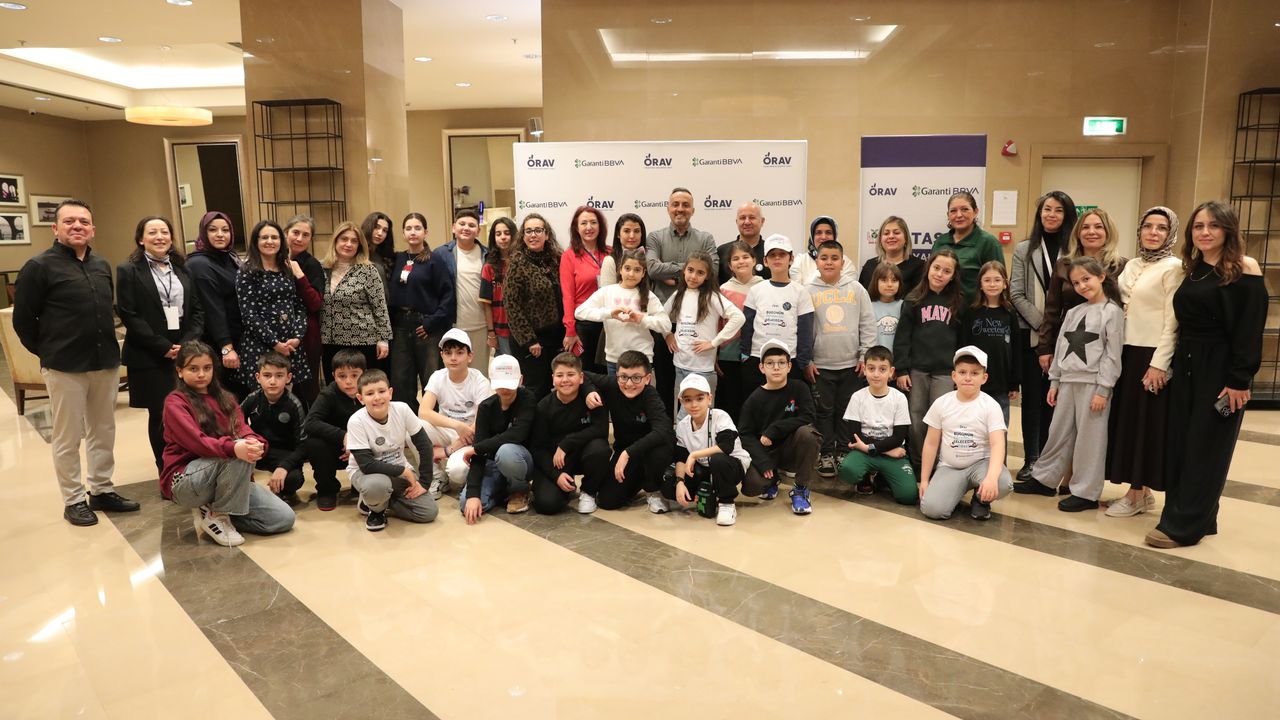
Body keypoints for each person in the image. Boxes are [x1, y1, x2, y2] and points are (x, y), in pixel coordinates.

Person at [1147, 201, 1266, 549]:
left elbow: (1249, 329)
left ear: (1228, 230)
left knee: (1207, 447)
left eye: (1213, 226)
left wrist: (1239, 380)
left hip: (1221, 368)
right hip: (1187, 365)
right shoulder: (1193, 268)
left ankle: (1183, 526)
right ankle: (1199, 515)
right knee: (1183, 444)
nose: (1205, 232)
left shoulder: (1244, 267)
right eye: (1198, 226)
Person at [14, 199, 139, 526]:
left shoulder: (101, 265)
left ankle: (101, 489)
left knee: (103, 430)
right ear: (55, 228)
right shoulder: (38, 267)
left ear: (92, 229)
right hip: (64, 366)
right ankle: (73, 499)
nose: (77, 226)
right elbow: (23, 321)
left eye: (83, 221)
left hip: (104, 362)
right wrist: (49, 352)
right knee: (68, 437)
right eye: (69, 221)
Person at [1015, 257, 1125, 512]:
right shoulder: (1074, 312)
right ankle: (1044, 479)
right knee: (1058, 433)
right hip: (1067, 382)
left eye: (1086, 279)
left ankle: (1086, 492)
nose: (1082, 286)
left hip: (1093, 383)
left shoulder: (1112, 312)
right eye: (1076, 283)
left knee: (1090, 439)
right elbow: (1061, 348)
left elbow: (1112, 355)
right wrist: (1054, 381)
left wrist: (1103, 389)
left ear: (1101, 277)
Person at [161, 341, 295, 546]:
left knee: (283, 519)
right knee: (237, 452)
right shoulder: (175, 402)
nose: (201, 374)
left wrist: (255, 442)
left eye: (207, 368)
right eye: (193, 369)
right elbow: (198, 443)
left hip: (228, 477)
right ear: (180, 371)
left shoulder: (225, 398)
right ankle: (218, 516)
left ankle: (220, 507)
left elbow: (243, 429)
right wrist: (236, 447)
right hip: (186, 479)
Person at [1105, 207, 1182, 518]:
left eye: (1161, 228)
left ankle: (1136, 494)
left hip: (1150, 356)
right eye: (1148, 226)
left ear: (1170, 233)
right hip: (1125, 351)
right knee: (1128, 423)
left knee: (1144, 425)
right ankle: (1142, 492)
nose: (1153, 232)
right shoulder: (1132, 264)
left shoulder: (1174, 267)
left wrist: (1160, 363)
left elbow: (1173, 320)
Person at [116, 215, 205, 474]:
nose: (159, 237)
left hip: (185, 352)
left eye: (164, 232)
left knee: (190, 411)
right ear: (140, 239)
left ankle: (190, 466)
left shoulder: (183, 268)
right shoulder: (128, 270)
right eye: (152, 232)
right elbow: (129, 314)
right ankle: (166, 470)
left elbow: (197, 310)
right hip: (149, 353)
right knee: (161, 415)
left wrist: (186, 345)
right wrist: (162, 346)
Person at [1009, 191, 1078, 482]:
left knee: (1058, 401)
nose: (1051, 214)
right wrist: (1045, 327)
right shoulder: (1025, 249)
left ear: (1067, 216)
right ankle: (1031, 459)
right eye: (1046, 209)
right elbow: (1016, 293)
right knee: (1033, 401)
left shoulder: (1075, 250)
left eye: (1058, 210)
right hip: (1033, 337)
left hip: (1070, 338)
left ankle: (1054, 461)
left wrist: (1059, 330)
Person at [805, 238, 877, 477]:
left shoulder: (856, 289)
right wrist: (808, 360)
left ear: (843, 262)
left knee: (847, 411)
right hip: (820, 366)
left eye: (834, 258)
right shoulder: (808, 290)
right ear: (816, 262)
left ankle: (844, 451)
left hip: (852, 365)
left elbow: (868, 323)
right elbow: (804, 329)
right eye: (824, 258)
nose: (829, 262)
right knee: (823, 412)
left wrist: (865, 355)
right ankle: (826, 453)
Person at [917, 346, 1014, 521]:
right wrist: (924, 480)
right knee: (933, 510)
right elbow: (931, 444)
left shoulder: (991, 406)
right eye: (962, 372)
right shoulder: (941, 403)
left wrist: (991, 477)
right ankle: (954, 490)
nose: (968, 378)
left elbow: (998, 444)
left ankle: (980, 498)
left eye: (974, 373)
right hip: (950, 467)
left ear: (984, 378)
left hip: (981, 464)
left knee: (1003, 483)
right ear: (954, 376)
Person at [647, 187, 718, 416]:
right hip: (665, 323)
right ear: (668, 208)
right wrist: (688, 269)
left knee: (693, 386)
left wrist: (672, 273)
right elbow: (652, 268)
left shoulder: (705, 238)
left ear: (693, 210)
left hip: (696, 324)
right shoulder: (655, 237)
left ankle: (692, 430)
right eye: (675, 204)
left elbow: (714, 269)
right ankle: (666, 430)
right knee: (664, 381)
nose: (680, 209)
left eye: (685, 205)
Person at [893, 249, 964, 470]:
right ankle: (918, 462)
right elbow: (902, 338)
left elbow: (963, 340)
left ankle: (937, 464)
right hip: (917, 370)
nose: (940, 274)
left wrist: (960, 372)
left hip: (945, 371)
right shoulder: (913, 299)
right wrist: (902, 369)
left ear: (953, 275)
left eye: (947, 271)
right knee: (916, 416)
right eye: (936, 268)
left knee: (940, 418)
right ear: (928, 268)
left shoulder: (958, 302)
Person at [346, 369, 439, 531]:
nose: (377, 397)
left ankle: (378, 502)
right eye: (370, 393)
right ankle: (376, 510)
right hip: (366, 473)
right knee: (377, 485)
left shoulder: (402, 409)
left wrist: (424, 482)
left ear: (390, 393)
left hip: (397, 471)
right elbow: (367, 465)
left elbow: (424, 445)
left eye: (382, 391)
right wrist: (404, 472)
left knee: (428, 512)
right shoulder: (356, 421)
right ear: (360, 398)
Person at [1037, 207, 1128, 374]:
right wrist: (1044, 347)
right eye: (1085, 227)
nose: (1091, 232)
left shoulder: (1122, 266)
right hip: (1068, 342)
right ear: (1078, 233)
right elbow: (1052, 310)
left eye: (1098, 227)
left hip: (1106, 346)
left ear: (1108, 232)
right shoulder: (1063, 265)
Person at [582, 351, 675, 513]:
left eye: (636, 378)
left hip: (649, 451)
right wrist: (589, 391)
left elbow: (663, 430)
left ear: (647, 378)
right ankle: (639, 479)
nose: (629, 384)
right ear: (617, 375)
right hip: (626, 451)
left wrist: (628, 453)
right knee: (607, 500)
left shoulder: (650, 395)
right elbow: (582, 375)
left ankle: (653, 489)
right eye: (624, 377)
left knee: (660, 451)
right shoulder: (613, 384)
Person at [738, 339, 822, 515]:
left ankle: (800, 489)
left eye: (781, 363)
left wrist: (775, 429)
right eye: (770, 363)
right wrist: (763, 462)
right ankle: (772, 479)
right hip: (767, 452)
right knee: (752, 486)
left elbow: (808, 416)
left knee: (808, 434)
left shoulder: (799, 388)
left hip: (793, 449)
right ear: (762, 368)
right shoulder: (754, 399)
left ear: (789, 366)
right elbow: (745, 435)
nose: (776, 367)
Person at [664, 251, 745, 416]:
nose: (694, 276)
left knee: (696, 413)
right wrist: (667, 334)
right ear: (684, 270)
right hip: (680, 363)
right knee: (683, 411)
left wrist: (714, 342)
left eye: (700, 273)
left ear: (707, 276)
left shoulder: (712, 297)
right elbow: (661, 316)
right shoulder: (678, 294)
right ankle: (682, 434)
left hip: (702, 367)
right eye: (690, 270)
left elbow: (738, 317)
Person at [528, 352, 610, 515]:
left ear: (581, 378)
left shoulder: (593, 399)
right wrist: (556, 475)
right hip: (556, 461)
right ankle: (566, 486)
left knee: (600, 448)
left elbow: (601, 430)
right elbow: (537, 448)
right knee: (547, 505)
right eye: (560, 375)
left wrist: (567, 443)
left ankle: (589, 491)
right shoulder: (543, 407)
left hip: (584, 454)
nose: (565, 380)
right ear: (553, 379)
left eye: (571, 374)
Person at [388, 212, 453, 413]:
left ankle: (432, 421)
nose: (413, 232)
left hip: (426, 327)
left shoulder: (434, 260)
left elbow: (448, 296)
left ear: (426, 232)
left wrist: (431, 323)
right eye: (408, 228)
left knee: (430, 377)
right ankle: (407, 422)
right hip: (400, 326)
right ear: (403, 233)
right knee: (401, 379)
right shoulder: (397, 259)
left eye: (417, 228)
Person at [235, 220, 310, 391]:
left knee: (288, 398)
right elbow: (248, 314)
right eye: (264, 237)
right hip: (261, 345)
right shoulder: (247, 272)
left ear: (281, 241)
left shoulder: (287, 268)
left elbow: (299, 306)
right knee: (263, 397)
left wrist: (298, 337)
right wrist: (275, 344)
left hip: (290, 345)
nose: (270, 241)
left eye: (274, 237)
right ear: (256, 241)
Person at [460, 354, 536, 522]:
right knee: (467, 504)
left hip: (520, 461)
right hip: (492, 463)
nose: (505, 389)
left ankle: (519, 490)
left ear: (520, 380)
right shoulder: (486, 407)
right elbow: (478, 455)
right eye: (500, 384)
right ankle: (502, 490)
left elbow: (518, 433)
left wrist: (478, 448)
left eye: (509, 384)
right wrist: (473, 494)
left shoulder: (527, 399)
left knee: (506, 451)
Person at [418, 328, 493, 498]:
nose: (453, 358)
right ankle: (437, 477)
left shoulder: (480, 381)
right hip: (451, 430)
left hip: (471, 436)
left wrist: (449, 450)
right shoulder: (438, 376)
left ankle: (468, 478)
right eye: (448, 353)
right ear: (442, 356)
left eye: (459, 353)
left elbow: (481, 422)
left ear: (470, 356)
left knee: (457, 472)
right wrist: (457, 426)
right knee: (414, 428)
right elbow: (423, 412)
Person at [669, 373, 752, 527]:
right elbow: (681, 457)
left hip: (731, 465)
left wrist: (694, 455)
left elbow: (726, 447)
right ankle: (701, 492)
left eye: (699, 398)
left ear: (709, 399)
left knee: (718, 459)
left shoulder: (721, 416)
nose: (694, 404)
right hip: (704, 467)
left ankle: (726, 503)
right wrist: (680, 482)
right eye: (688, 400)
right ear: (681, 402)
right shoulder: (682, 425)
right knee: (669, 486)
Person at [837, 345, 916, 503]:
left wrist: (869, 447)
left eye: (882, 369)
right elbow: (855, 436)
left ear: (891, 372)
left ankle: (882, 478)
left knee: (908, 496)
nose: (876, 374)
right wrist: (879, 450)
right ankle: (864, 477)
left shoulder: (899, 398)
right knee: (847, 471)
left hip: (888, 451)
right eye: (871, 368)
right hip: (873, 452)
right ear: (864, 370)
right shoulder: (858, 397)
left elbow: (898, 437)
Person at [740, 234, 816, 387]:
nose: (777, 258)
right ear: (765, 261)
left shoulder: (801, 292)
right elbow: (747, 326)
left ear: (791, 259)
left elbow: (806, 331)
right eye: (772, 255)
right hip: (757, 359)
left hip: (789, 360)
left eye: (782, 254)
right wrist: (745, 355)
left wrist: (802, 362)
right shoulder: (756, 290)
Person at [575, 248, 670, 371]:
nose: (631, 274)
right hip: (614, 360)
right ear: (620, 269)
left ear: (643, 273)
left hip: (642, 359)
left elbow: (666, 325)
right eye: (627, 268)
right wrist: (609, 313)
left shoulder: (648, 296)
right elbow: (579, 312)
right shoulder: (607, 292)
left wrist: (641, 319)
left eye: (637, 270)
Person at [505, 213, 567, 399]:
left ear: (547, 235)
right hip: (532, 341)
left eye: (538, 230)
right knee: (536, 389)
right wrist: (529, 340)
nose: (533, 235)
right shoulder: (517, 263)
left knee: (555, 386)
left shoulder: (556, 260)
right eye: (528, 231)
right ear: (523, 236)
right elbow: (512, 306)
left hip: (555, 337)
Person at [186, 211, 247, 397]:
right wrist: (226, 347)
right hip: (219, 344)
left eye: (225, 230)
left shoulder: (229, 257)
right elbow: (213, 310)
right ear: (203, 233)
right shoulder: (199, 264)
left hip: (239, 338)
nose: (220, 234)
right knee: (227, 398)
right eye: (213, 230)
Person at [320, 221, 392, 374]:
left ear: (359, 246)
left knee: (362, 385)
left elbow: (380, 307)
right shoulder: (322, 269)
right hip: (330, 341)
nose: (348, 244)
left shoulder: (368, 270)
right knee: (334, 384)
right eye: (344, 239)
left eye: (354, 241)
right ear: (335, 241)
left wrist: (383, 339)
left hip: (362, 341)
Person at [240, 352, 308, 505]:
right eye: (267, 375)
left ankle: (282, 492)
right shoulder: (252, 399)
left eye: (279, 376)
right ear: (258, 377)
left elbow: (303, 446)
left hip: (283, 453)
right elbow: (235, 424)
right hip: (257, 449)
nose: (272, 381)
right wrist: (247, 441)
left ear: (288, 378)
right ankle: (242, 491)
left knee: (294, 479)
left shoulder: (294, 404)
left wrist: (284, 467)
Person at [303, 348, 366, 511]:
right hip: (336, 450)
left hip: (363, 449)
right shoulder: (329, 394)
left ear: (364, 374)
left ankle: (360, 484)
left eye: (354, 375)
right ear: (333, 376)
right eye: (342, 376)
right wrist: (343, 436)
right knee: (314, 443)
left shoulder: (371, 392)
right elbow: (310, 423)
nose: (348, 381)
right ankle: (327, 490)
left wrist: (356, 445)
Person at [960, 261, 1021, 423]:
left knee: (999, 426)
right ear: (980, 284)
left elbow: (1016, 348)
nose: (992, 284)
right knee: (974, 426)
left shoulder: (1010, 312)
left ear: (1005, 284)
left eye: (997, 280)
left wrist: (1014, 383)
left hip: (1001, 383)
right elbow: (963, 347)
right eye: (987, 280)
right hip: (975, 381)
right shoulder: (971, 312)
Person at [433, 209, 490, 375]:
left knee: (479, 373)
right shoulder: (441, 254)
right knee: (454, 373)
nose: (466, 228)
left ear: (478, 231)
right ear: (453, 227)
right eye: (462, 224)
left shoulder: (487, 254)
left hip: (481, 325)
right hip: (453, 325)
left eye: (471, 225)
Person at [716, 241, 765, 419]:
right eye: (736, 259)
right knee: (730, 399)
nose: (741, 261)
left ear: (754, 260)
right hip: (728, 353)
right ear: (730, 266)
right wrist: (715, 354)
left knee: (752, 398)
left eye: (745, 257)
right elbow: (717, 324)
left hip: (755, 353)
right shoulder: (723, 290)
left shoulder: (764, 287)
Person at [930, 191, 1004, 303]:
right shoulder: (940, 242)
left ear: (975, 212)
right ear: (948, 215)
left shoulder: (988, 242)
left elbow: (998, 283)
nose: (959, 215)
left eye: (965, 209)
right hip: (940, 308)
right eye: (953, 211)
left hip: (974, 309)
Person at [560, 205, 610, 372]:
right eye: (584, 223)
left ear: (600, 226)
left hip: (608, 322)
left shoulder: (610, 253)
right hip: (584, 324)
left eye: (593, 222)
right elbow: (568, 296)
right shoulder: (569, 256)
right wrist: (570, 330)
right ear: (576, 228)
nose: (589, 227)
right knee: (586, 373)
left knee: (608, 372)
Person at [282, 215, 325, 403]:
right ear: (286, 233)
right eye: (295, 233)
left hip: (307, 334)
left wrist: (299, 275)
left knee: (307, 387)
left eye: (305, 235)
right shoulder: (273, 260)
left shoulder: (312, 265)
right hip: (279, 332)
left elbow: (315, 303)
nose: (299, 238)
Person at [858, 216, 926, 300]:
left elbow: (919, 299)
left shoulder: (919, 266)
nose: (891, 236)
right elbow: (860, 298)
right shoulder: (869, 266)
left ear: (906, 238)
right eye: (886, 233)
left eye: (896, 233)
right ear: (880, 240)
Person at [480, 217, 519, 357]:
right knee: (508, 367)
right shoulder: (489, 267)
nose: (503, 237)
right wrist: (491, 333)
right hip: (501, 329)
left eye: (507, 233)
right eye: (498, 234)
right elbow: (486, 304)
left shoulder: (522, 262)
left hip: (524, 329)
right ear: (494, 238)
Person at [790, 215, 857, 286]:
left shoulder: (846, 263)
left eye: (828, 232)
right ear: (812, 237)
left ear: (835, 236)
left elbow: (849, 289)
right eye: (818, 233)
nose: (823, 237)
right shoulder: (800, 261)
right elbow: (797, 290)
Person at [717, 202, 768, 284]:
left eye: (752, 217)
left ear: (762, 221)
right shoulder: (722, 251)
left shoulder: (770, 252)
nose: (747, 222)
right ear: (737, 222)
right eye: (742, 218)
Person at [599, 213, 647, 287]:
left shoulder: (649, 257)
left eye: (636, 231)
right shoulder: (610, 261)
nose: (632, 236)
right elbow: (606, 292)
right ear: (618, 234)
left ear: (642, 234)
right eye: (627, 231)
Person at [869, 262, 905, 350]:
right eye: (884, 280)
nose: (889, 285)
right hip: (874, 356)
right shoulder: (868, 307)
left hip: (898, 357)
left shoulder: (905, 306)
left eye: (894, 280)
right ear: (875, 282)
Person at [360, 211, 396, 288]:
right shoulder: (357, 252)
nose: (380, 233)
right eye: (376, 227)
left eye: (385, 230)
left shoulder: (386, 255)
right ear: (368, 227)